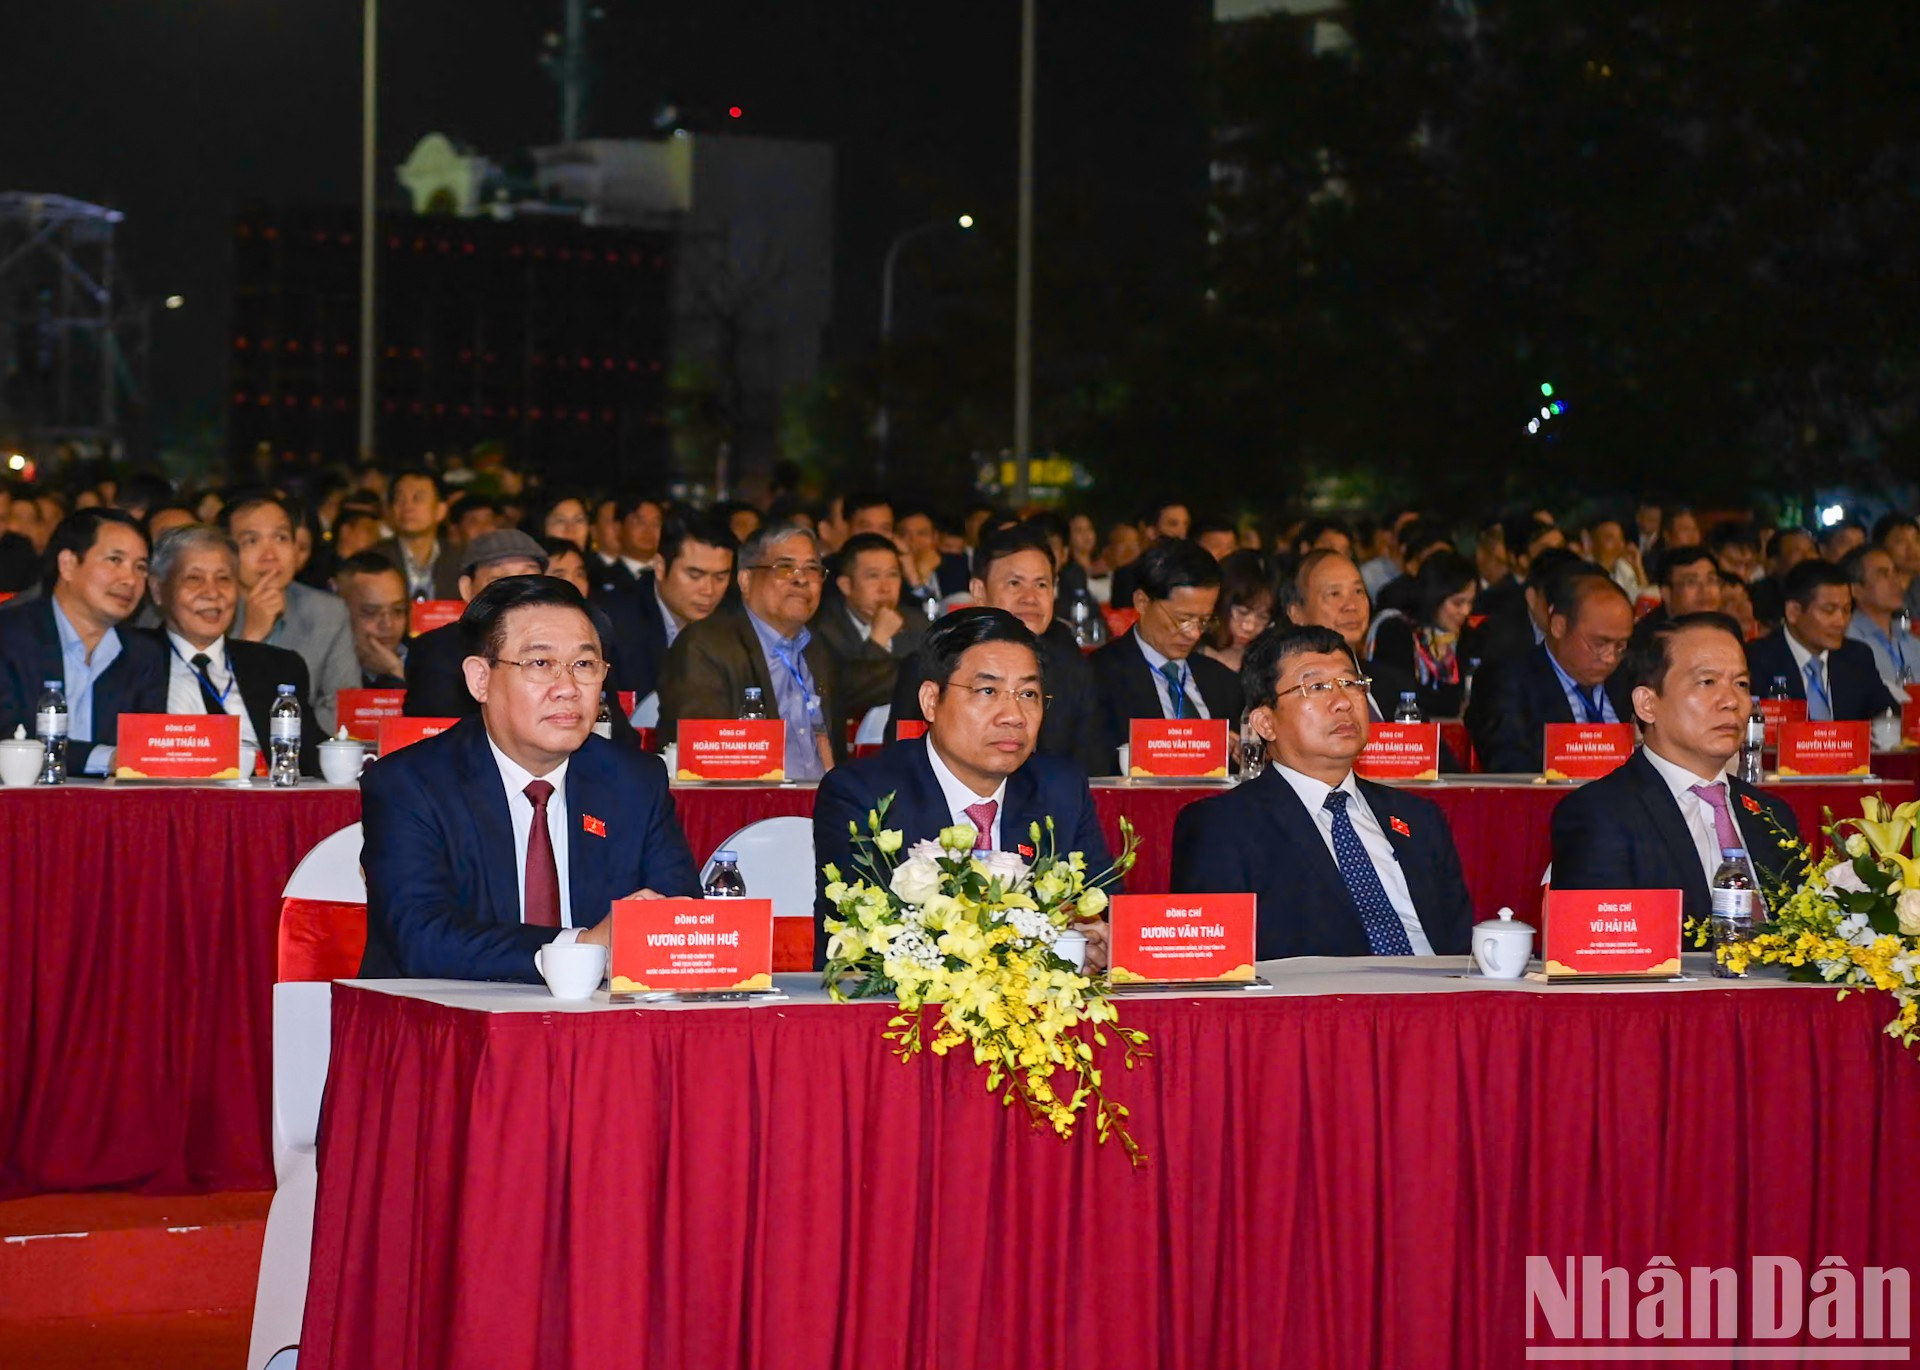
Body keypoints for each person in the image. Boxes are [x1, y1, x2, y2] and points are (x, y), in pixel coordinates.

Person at [358, 576, 700, 981]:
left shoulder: (634, 781)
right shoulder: (409, 784)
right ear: (480, 679)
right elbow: (423, 939)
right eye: (540, 664)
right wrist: (582, 948)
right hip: (452, 1030)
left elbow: (678, 918)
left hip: (601, 1032)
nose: (568, 688)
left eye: (585, 665)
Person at [812, 607, 1112, 969]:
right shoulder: (861, 795)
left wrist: (1096, 941)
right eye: (988, 691)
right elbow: (862, 946)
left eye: (1028, 694)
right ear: (930, 701)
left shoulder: (1060, 788)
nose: (1013, 715)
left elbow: (1103, 909)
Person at [1169, 624, 1474, 959]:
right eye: (1316, 687)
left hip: (1438, 997)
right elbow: (1217, 962)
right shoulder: (1222, 826)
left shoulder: (1420, 817)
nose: (1343, 702)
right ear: (1265, 723)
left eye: (1351, 684)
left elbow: (1460, 949)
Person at [1550, 613, 1801, 914]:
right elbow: (1604, 948)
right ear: (1647, 704)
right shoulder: (1600, 815)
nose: (1731, 700)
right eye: (1707, 682)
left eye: (1742, 683)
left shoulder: (1771, 815)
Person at [886, 522, 1110, 776]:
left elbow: (1092, 772)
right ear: (979, 591)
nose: (1030, 598)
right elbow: (902, 771)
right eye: (1015, 584)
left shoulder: (1072, 666)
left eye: (1041, 585)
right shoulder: (930, 665)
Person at [658, 522, 843, 778]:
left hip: (822, 806)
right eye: (785, 567)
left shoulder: (818, 650)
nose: (801, 579)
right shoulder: (705, 646)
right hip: (751, 809)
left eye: (812, 569)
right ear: (745, 580)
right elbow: (706, 757)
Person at [139, 524, 322, 775]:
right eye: (194, 578)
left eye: (224, 579)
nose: (212, 593)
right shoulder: (131, 661)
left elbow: (313, 756)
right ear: (158, 589)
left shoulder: (278, 668)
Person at [0, 509, 165, 774]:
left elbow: (148, 748)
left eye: (141, 567)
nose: (130, 580)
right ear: (68, 564)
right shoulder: (9, 636)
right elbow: (8, 738)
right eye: (115, 560)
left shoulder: (145, 655)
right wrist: (106, 758)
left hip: (113, 812)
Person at [1088, 537, 1244, 763]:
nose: (1193, 633)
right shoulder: (1098, 678)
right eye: (1181, 619)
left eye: (1204, 620)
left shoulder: (1223, 683)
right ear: (1142, 602)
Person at [1465, 571, 1636, 773]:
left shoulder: (1630, 678)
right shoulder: (1507, 681)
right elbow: (1508, 764)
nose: (1610, 658)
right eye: (1599, 643)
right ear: (1559, 626)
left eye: (1620, 646)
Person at [223, 493, 359, 735]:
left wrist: (280, 738)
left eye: (281, 538)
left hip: (303, 761)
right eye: (252, 541)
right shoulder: (208, 610)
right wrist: (250, 637)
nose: (270, 555)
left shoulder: (328, 612)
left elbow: (343, 707)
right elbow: (209, 710)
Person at [592, 511, 738, 714]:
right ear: (660, 567)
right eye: (695, 575)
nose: (709, 590)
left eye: (720, 577)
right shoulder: (613, 619)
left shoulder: (734, 621)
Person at [403, 530, 549, 717]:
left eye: (529, 578)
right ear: (467, 589)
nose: (517, 592)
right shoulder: (438, 653)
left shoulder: (564, 647)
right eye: (498, 581)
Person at [1746, 558, 1900, 720]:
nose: (1841, 621)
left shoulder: (1857, 657)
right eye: (1829, 610)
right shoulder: (1756, 660)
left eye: (1847, 610)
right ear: (1793, 612)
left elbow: (1888, 714)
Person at [810, 531, 924, 725]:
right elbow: (849, 693)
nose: (885, 587)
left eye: (893, 575)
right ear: (846, 585)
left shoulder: (918, 624)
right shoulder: (822, 630)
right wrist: (878, 640)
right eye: (873, 576)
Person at [1366, 549, 1477, 718]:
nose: (1466, 611)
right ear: (1434, 596)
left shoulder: (1465, 635)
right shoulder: (1395, 630)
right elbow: (1402, 696)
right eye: (1458, 603)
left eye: (1471, 602)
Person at [370, 469, 461, 601]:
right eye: (399, 499)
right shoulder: (374, 560)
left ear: (440, 510)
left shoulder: (461, 561)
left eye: (418, 499)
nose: (407, 507)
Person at [1842, 544, 1912, 698]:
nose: (1895, 582)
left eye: (1895, 572)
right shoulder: (1846, 640)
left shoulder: (1911, 641)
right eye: (1883, 574)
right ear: (1855, 590)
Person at [333, 551, 410, 687]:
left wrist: (397, 671)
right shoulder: (323, 665)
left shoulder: (430, 662)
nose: (388, 624)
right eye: (371, 612)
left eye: (398, 610)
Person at [1198, 550, 1273, 679]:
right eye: (1242, 613)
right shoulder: (1190, 651)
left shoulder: (1265, 662)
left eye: (1262, 617)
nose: (1249, 627)